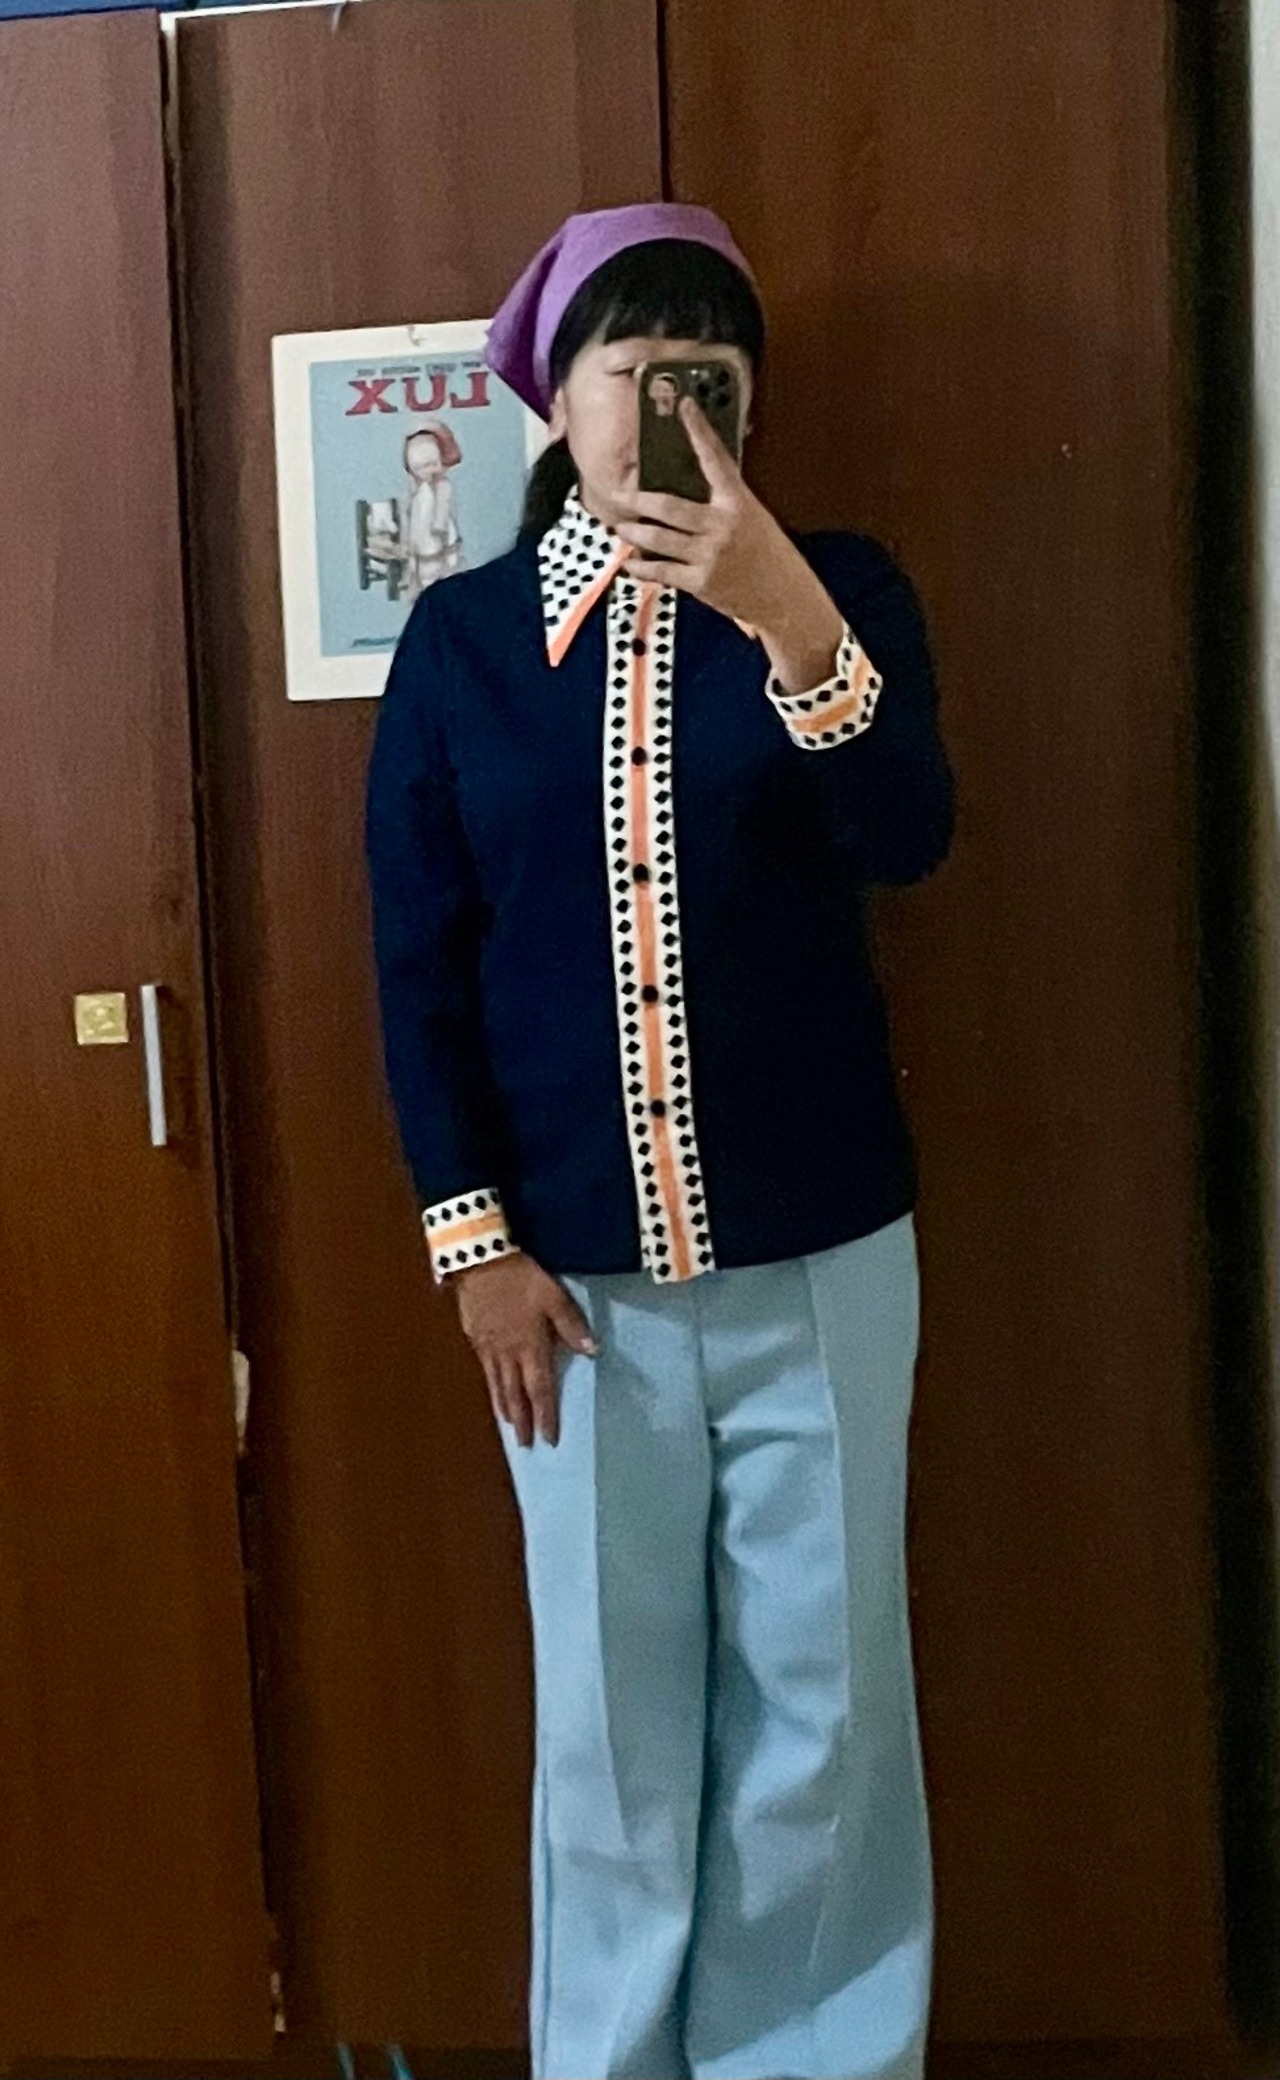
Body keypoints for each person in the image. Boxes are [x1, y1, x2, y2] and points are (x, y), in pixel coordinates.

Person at [365, 201, 955, 2080]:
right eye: (635, 366)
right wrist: (474, 1246)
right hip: (571, 1294)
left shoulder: (840, 587)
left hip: (824, 1259)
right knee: (612, 1732)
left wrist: (790, 621)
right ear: (557, 400)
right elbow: (417, 957)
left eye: (714, 371)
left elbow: (908, 838)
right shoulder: (465, 646)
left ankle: (818, 2059)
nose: (676, 406)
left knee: (825, 1717)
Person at [400, 423, 463, 597]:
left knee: (440, 572)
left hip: (437, 539)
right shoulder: (419, 492)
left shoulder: (442, 487)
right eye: (418, 468)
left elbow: (442, 515)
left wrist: (439, 528)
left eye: (431, 465)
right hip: (421, 541)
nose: (425, 472)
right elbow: (412, 516)